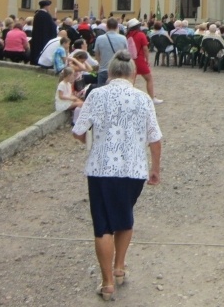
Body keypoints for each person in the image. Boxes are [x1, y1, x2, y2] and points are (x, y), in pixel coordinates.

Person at [72, 50, 162, 301]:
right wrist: (155, 168)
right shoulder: (143, 98)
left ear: (109, 73)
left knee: (103, 225)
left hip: (101, 169)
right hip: (133, 170)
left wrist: (90, 141)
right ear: (133, 74)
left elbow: (78, 131)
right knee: (124, 217)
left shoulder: (96, 95)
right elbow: (155, 138)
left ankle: (107, 282)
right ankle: (119, 267)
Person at [125, 18, 163, 104]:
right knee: (149, 78)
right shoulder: (141, 34)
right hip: (139, 59)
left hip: (130, 60)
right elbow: (145, 49)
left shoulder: (127, 35)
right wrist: (147, 60)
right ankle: (152, 98)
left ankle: (128, 97)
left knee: (131, 80)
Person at [93, 17, 128, 87]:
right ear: (117, 26)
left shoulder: (99, 38)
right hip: (118, 69)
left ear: (106, 27)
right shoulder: (123, 38)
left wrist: (101, 63)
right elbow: (126, 53)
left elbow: (97, 54)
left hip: (104, 69)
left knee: (101, 92)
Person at [30, 0, 57, 65]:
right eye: (49, 6)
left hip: (37, 37)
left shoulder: (37, 15)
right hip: (45, 37)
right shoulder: (46, 15)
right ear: (46, 6)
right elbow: (52, 27)